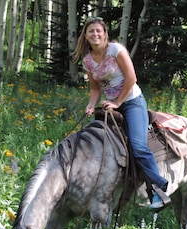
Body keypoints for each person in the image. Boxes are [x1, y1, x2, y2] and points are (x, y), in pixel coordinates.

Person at [72, 16, 170, 210]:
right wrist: (91, 105)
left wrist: (118, 102)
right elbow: (95, 89)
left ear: (105, 34)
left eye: (99, 30)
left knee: (137, 145)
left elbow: (131, 78)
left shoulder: (116, 50)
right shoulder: (88, 61)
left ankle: (159, 187)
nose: (95, 34)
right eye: (91, 31)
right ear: (85, 35)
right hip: (109, 105)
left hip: (132, 101)